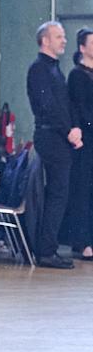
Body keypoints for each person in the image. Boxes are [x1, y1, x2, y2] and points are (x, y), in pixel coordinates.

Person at [27, 21, 82, 268]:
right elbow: (48, 107)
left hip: (58, 136)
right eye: (59, 37)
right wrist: (69, 130)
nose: (64, 40)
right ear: (45, 41)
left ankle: (48, 247)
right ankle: (47, 250)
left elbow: (63, 105)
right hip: (52, 137)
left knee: (59, 193)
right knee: (57, 194)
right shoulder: (39, 69)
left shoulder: (54, 69)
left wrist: (75, 127)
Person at [66, 27, 93, 260]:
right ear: (82, 48)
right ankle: (82, 241)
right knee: (83, 189)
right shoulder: (77, 75)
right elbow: (80, 109)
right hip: (86, 139)